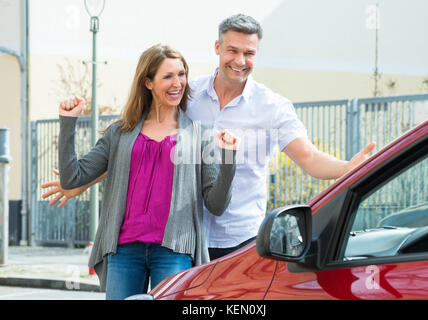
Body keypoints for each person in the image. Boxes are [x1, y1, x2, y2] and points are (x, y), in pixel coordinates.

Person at [43, 14, 374, 263]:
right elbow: (146, 143)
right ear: (218, 48)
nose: (240, 61)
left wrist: (348, 167)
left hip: (241, 238)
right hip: (186, 236)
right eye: (232, 50)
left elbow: (309, 158)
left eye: (249, 53)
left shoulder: (272, 107)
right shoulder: (188, 93)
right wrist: (82, 182)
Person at [56, 44, 239, 299]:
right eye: (168, 76)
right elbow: (72, 177)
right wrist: (68, 122)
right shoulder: (119, 134)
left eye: (181, 74)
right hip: (124, 250)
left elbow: (216, 205)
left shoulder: (199, 136)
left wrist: (228, 158)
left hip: (174, 251)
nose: (178, 83)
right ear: (148, 83)